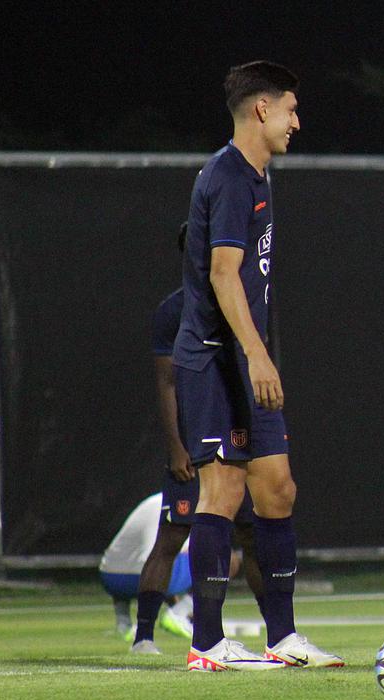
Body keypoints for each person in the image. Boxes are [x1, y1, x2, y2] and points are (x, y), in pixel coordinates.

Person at [175, 60, 341, 671]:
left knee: (276, 490)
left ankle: (283, 636)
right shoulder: (229, 177)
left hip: (243, 361)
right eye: (292, 109)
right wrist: (256, 352)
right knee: (222, 488)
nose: (298, 122)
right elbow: (222, 274)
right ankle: (207, 643)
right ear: (262, 109)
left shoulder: (258, 178)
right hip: (218, 360)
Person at [129, 222, 266, 656]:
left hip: (239, 437)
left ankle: (278, 632)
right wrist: (176, 447)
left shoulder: (241, 302)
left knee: (251, 534)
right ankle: (144, 636)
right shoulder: (175, 311)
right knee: (171, 537)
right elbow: (167, 382)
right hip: (196, 446)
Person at [99, 492, 194, 640]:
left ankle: (123, 623)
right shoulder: (191, 503)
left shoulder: (153, 500)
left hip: (110, 578)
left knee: (133, 557)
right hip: (149, 578)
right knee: (223, 558)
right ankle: (179, 613)